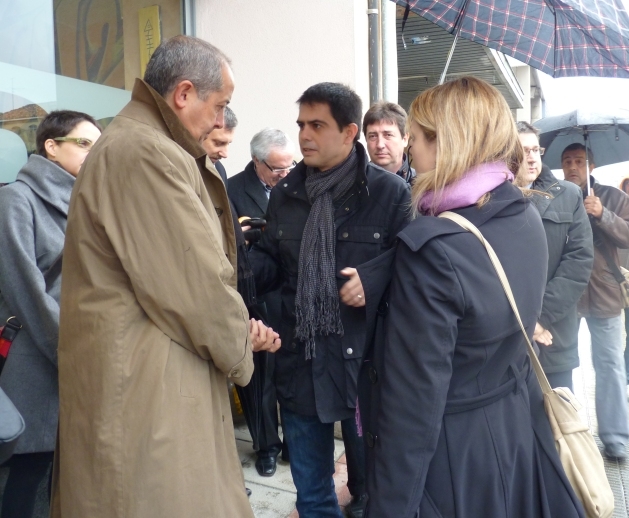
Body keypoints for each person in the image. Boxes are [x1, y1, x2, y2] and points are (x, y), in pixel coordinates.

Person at [51, 36, 280, 518]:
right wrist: (241, 349)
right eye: (219, 107)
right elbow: (197, 288)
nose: (221, 121)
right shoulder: (145, 151)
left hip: (148, 376)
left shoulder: (143, 143)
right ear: (183, 94)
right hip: (147, 393)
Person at [358, 77, 585, 518]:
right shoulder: (523, 214)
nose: (412, 147)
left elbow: (413, 402)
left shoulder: (433, 247)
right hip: (516, 431)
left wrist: (390, 505)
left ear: (448, 143)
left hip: (452, 456)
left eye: (418, 137)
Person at [249, 82, 410, 518]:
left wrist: (373, 280)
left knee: (373, 488)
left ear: (348, 132)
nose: (304, 135)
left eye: (317, 125)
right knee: (313, 494)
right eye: (301, 123)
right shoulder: (285, 194)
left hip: (364, 367)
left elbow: (413, 269)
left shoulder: (389, 193)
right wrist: (233, 259)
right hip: (300, 361)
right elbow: (269, 266)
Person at [0, 110, 101, 518]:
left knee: (59, 477)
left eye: (98, 145)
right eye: (84, 143)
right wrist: (71, 351)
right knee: (25, 478)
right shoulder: (15, 198)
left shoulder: (87, 201)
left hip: (76, 356)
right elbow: (24, 287)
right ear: (51, 146)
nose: (94, 152)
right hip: (37, 357)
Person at [228, 128, 294, 477]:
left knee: (290, 375)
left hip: (292, 295)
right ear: (257, 162)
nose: (285, 175)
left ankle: (293, 444)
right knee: (260, 381)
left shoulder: (300, 184)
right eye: (276, 169)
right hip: (257, 297)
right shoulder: (232, 191)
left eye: (289, 166)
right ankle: (266, 445)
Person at [562, 142, 629, 459]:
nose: (573, 166)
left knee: (611, 365)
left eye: (579, 161)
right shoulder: (556, 196)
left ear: (591, 165)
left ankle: (615, 436)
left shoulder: (614, 197)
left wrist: (603, 214)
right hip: (565, 293)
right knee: (562, 363)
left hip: (605, 291)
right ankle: (566, 429)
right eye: (567, 161)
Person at [515, 122, 593, 391]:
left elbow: (579, 261)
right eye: (524, 150)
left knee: (558, 424)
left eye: (536, 149)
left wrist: (540, 319)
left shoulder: (568, 195)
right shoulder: (491, 199)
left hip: (553, 335)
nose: (532, 157)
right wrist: (523, 324)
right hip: (508, 339)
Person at [362, 101, 415, 184]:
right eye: (373, 136)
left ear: (405, 139)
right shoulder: (353, 184)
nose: (380, 145)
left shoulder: (422, 187)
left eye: (388, 135)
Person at [203, 105, 237, 183]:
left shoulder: (220, 170)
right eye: (218, 143)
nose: (225, 154)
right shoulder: (179, 167)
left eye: (228, 144)